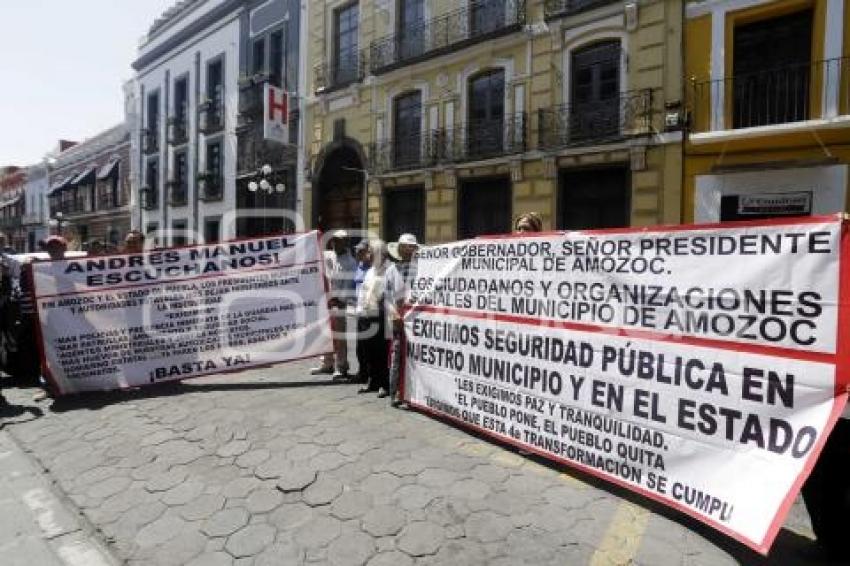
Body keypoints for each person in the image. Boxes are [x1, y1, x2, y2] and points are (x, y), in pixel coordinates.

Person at [312, 230, 356, 379]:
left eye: (339, 241)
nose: (336, 243)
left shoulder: (350, 262)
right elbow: (314, 253)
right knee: (325, 334)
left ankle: (341, 365)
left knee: (339, 336)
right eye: (334, 241)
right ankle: (327, 363)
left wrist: (337, 300)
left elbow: (348, 285)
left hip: (338, 303)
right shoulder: (329, 255)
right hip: (324, 301)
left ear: (346, 243)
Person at [385, 233, 419, 405]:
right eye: (406, 247)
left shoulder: (420, 269)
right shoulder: (391, 271)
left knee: (415, 356)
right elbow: (387, 297)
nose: (408, 250)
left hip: (416, 320)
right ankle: (396, 391)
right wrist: (394, 314)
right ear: (399, 249)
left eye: (411, 247)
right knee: (397, 354)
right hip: (398, 320)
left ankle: (413, 392)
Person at [355, 240, 390, 396]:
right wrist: (359, 311)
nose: (368, 255)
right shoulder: (370, 271)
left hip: (381, 318)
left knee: (381, 352)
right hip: (366, 316)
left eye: (371, 252)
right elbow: (363, 292)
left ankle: (384, 384)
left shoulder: (389, 270)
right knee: (367, 351)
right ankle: (372, 381)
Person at [352, 240, 371, 384]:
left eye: (360, 251)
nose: (357, 253)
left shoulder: (373, 269)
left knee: (369, 344)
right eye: (357, 250)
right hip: (358, 311)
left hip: (370, 311)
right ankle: (362, 371)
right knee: (360, 346)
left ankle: (370, 373)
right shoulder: (358, 266)